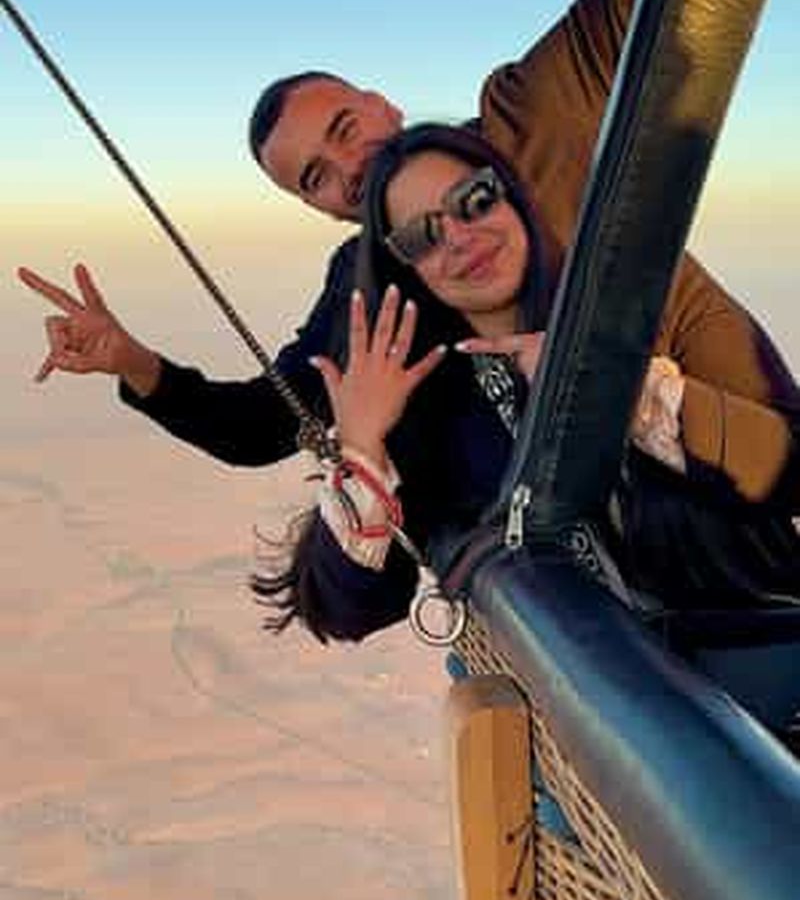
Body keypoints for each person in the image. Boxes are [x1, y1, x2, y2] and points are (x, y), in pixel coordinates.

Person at [15, 0, 789, 490]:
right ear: (318, 208)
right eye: (315, 176)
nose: (348, 169)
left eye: (344, 128)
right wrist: (131, 361)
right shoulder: (366, 289)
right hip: (597, 577)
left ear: (383, 106)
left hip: (747, 476)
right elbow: (266, 424)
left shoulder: (535, 117)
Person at [252, 123, 800, 645]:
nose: (460, 238)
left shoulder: (651, 293)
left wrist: (617, 392)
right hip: (596, 692)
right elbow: (350, 612)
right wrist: (362, 449)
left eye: (476, 199)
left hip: (765, 647)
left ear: (512, 196)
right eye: (423, 236)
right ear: (407, 267)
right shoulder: (434, 408)